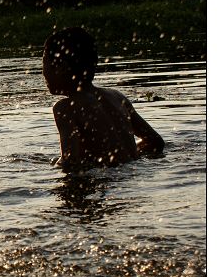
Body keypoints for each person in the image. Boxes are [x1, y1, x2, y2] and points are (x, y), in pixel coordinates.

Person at [42, 27, 164, 170]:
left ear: (60, 67)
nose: (43, 72)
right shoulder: (117, 97)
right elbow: (156, 142)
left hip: (107, 180)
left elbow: (70, 163)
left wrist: (51, 165)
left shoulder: (66, 108)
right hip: (132, 177)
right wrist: (125, 155)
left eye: (44, 63)